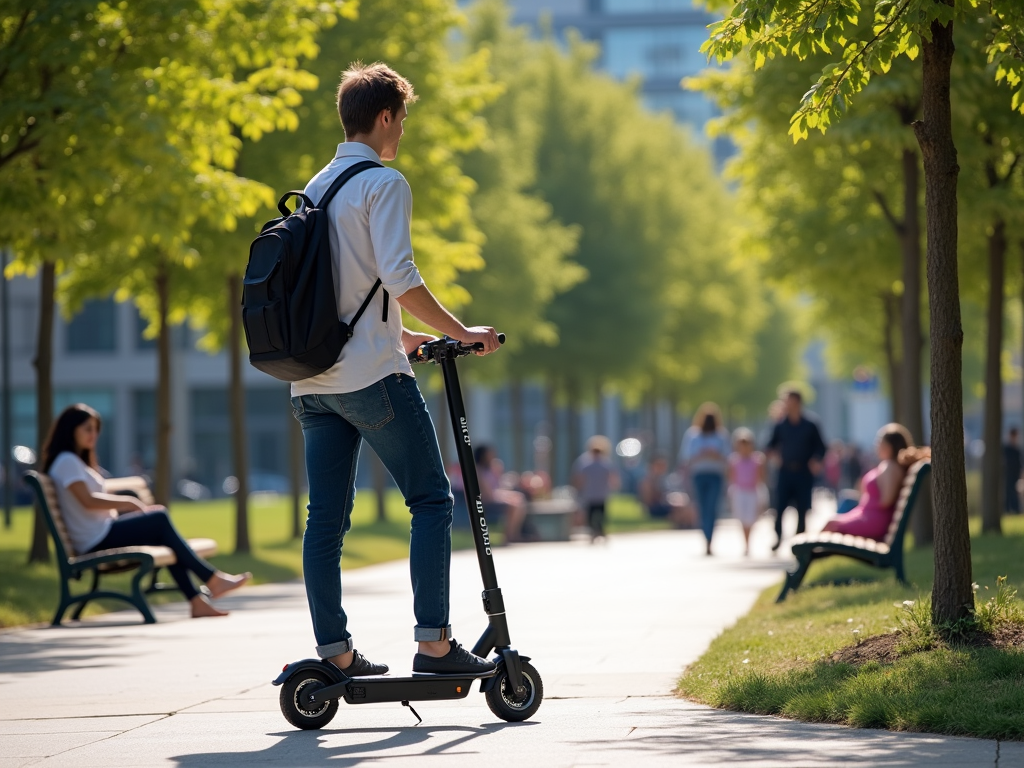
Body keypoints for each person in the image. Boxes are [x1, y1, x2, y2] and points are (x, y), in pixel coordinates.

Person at [290, 62, 500, 679]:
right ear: (384, 117)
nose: (402, 132)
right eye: (402, 120)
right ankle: (434, 645)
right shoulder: (384, 183)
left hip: (312, 383)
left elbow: (338, 291)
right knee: (433, 500)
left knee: (323, 522)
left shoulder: (316, 186)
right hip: (371, 380)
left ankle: (336, 654)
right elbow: (398, 276)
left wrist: (402, 336)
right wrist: (460, 332)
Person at [43, 404, 250, 618]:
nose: (93, 434)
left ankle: (199, 601)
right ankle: (212, 580)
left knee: (161, 530)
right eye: (87, 428)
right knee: (159, 519)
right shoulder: (67, 461)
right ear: (70, 429)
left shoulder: (74, 462)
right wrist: (129, 503)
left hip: (100, 533)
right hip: (94, 539)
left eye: (96, 429)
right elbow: (87, 500)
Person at [820, 424, 922, 542]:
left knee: (831, 524)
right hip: (869, 515)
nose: (876, 446)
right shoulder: (890, 466)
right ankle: (809, 554)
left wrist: (868, 499)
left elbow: (886, 500)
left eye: (879, 442)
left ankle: (807, 555)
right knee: (833, 520)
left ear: (888, 447)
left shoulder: (889, 466)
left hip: (874, 520)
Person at [765, 390, 826, 550]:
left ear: (798, 403)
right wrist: (771, 456)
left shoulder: (811, 425)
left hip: (803, 472)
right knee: (779, 507)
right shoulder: (780, 425)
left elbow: (821, 447)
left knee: (802, 508)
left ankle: (800, 542)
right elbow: (771, 444)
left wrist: (816, 460)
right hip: (785, 472)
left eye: (790, 401)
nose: (787, 404)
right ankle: (778, 536)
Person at [681, 403, 730, 555]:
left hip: (715, 475)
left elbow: (728, 457)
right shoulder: (693, 435)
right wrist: (701, 454)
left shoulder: (721, 436)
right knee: (702, 508)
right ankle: (705, 537)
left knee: (712, 507)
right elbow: (686, 457)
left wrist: (716, 455)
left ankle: (710, 538)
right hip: (699, 475)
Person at [474, 445, 529, 543]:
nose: (493, 456)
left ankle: (514, 534)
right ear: (483, 456)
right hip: (486, 502)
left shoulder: (490, 469)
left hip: (494, 498)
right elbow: (489, 494)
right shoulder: (479, 471)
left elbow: (498, 487)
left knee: (519, 498)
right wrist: (507, 498)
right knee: (514, 505)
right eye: (489, 454)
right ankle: (509, 536)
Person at [571, 436, 620, 540]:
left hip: (590, 494)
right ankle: (599, 530)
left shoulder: (584, 462)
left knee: (591, 515)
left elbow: (579, 478)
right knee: (601, 514)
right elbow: (613, 477)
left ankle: (595, 531)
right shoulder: (606, 463)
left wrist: (578, 489)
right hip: (601, 493)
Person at [728, 428, 765, 556]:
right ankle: (745, 543)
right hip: (739, 491)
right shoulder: (734, 460)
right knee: (742, 518)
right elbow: (731, 477)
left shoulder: (757, 459)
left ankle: (748, 542)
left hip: (752, 492)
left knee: (750, 518)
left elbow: (761, 478)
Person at [639, 455, 694, 528]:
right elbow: (649, 501)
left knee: (687, 505)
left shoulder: (663, 479)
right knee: (680, 508)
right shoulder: (648, 481)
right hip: (655, 507)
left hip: (664, 504)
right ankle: (683, 523)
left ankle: (687, 523)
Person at [1003, 427, 1022, 514]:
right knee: (1007, 494)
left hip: (1015, 476)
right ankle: (1006, 511)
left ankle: (1016, 511)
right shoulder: (1005, 449)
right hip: (1006, 475)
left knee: (1014, 495)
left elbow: (1020, 465)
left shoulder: (1017, 451)